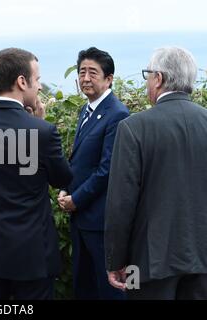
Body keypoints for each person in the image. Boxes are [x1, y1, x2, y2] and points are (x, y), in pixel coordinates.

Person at [0, 48, 73, 300]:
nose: (40, 87)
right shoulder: (42, 132)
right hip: (31, 253)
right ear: (22, 82)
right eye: (38, 79)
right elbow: (62, 179)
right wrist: (40, 123)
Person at [105, 47, 207, 300]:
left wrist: (116, 260)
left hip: (146, 261)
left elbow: (121, 202)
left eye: (148, 75)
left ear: (158, 78)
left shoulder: (133, 127)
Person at [58, 47, 129, 299]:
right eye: (81, 72)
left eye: (92, 73)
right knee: (84, 286)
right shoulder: (85, 110)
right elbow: (80, 162)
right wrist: (66, 188)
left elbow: (107, 169)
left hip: (102, 222)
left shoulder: (118, 114)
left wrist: (76, 199)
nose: (85, 78)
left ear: (109, 79)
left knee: (110, 290)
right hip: (81, 220)